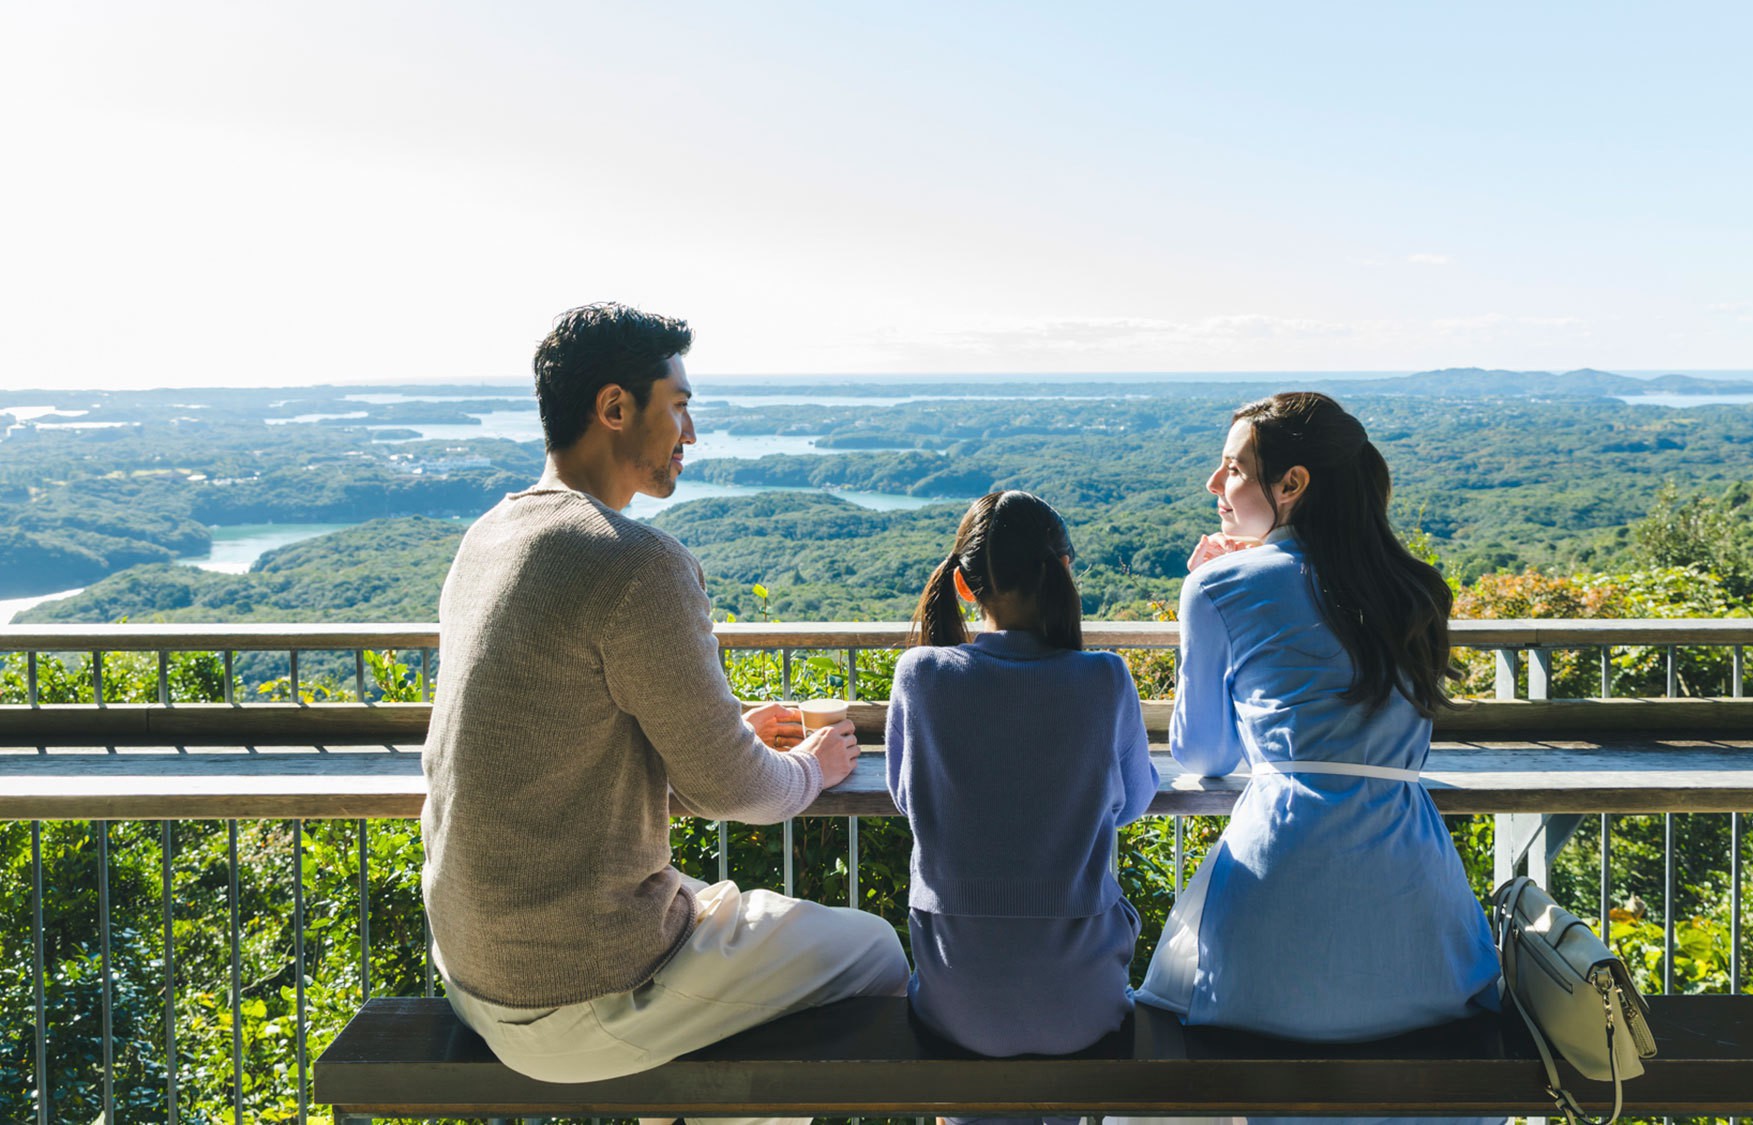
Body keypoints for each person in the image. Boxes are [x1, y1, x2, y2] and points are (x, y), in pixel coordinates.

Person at [420, 302, 909, 1125]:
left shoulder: (489, 537)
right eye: (678, 405)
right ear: (615, 408)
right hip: (581, 989)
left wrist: (718, 737)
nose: (692, 432)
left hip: (474, 971)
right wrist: (810, 768)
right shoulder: (636, 564)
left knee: (728, 957)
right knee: (876, 953)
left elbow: (564, 744)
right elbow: (735, 794)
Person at [1132, 392, 1501, 1125]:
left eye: (1233, 468)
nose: (1215, 485)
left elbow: (1202, 754)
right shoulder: (1414, 589)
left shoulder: (1218, 584)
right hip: (1414, 920)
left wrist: (1201, 592)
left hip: (1271, 919)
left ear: (1292, 485)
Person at [886, 490, 1159, 1124]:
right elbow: (1135, 800)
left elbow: (907, 797)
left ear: (963, 582)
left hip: (957, 1005)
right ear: (1063, 570)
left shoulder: (920, 675)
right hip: (1082, 1008)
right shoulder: (1105, 678)